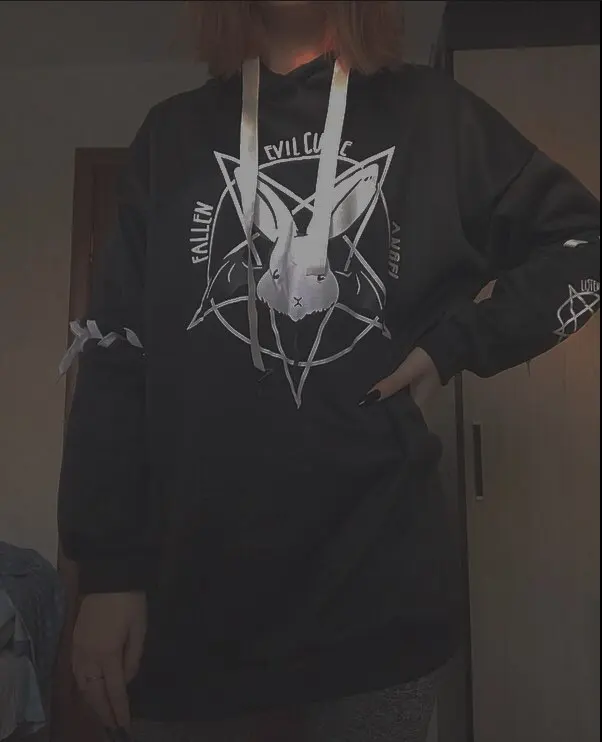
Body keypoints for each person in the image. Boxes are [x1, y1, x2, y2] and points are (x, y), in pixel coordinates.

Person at [57, 1, 600, 740]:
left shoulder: (435, 116)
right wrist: (108, 570)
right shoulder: (171, 136)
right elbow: (115, 355)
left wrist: (457, 343)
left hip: (377, 608)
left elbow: (583, 243)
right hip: (191, 614)